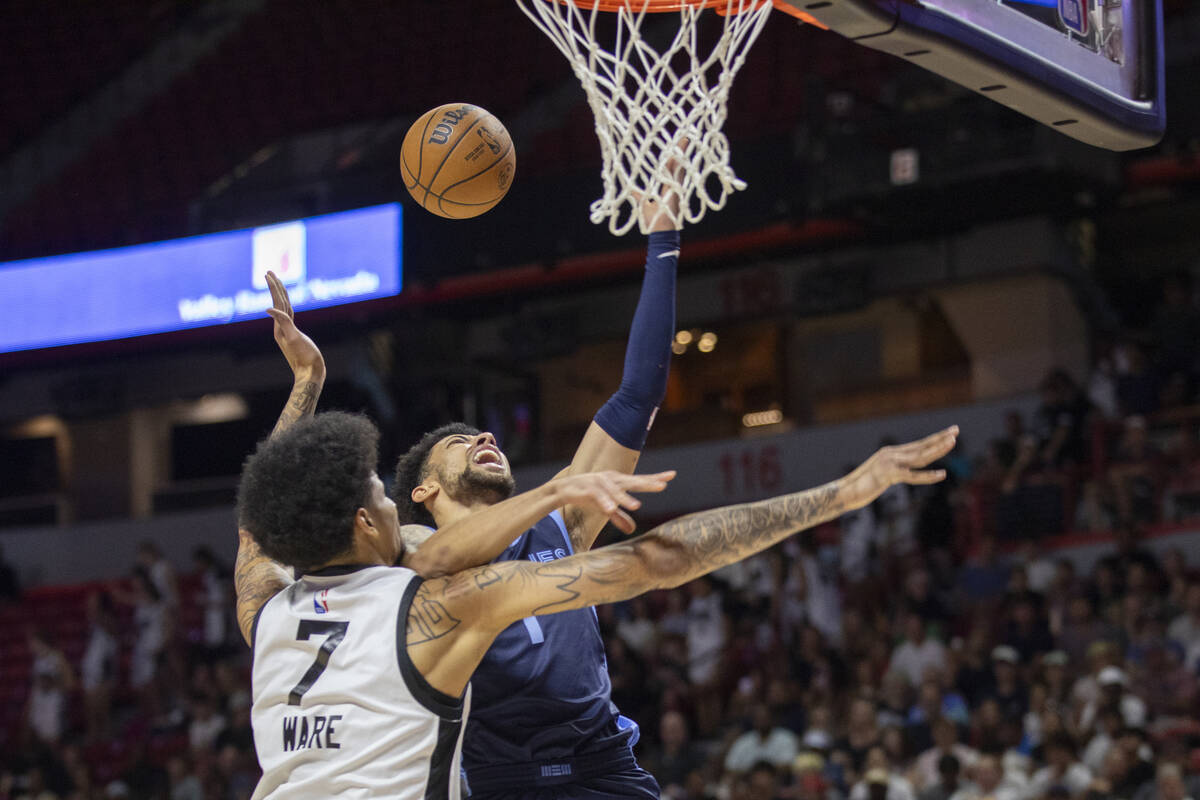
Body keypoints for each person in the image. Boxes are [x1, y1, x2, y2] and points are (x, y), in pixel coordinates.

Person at [236, 408, 957, 798]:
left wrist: (305, 388)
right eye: (384, 497)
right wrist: (840, 495)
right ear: (366, 523)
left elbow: (253, 533)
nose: (397, 506)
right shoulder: (435, 606)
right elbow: (656, 559)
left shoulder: (265, 614)